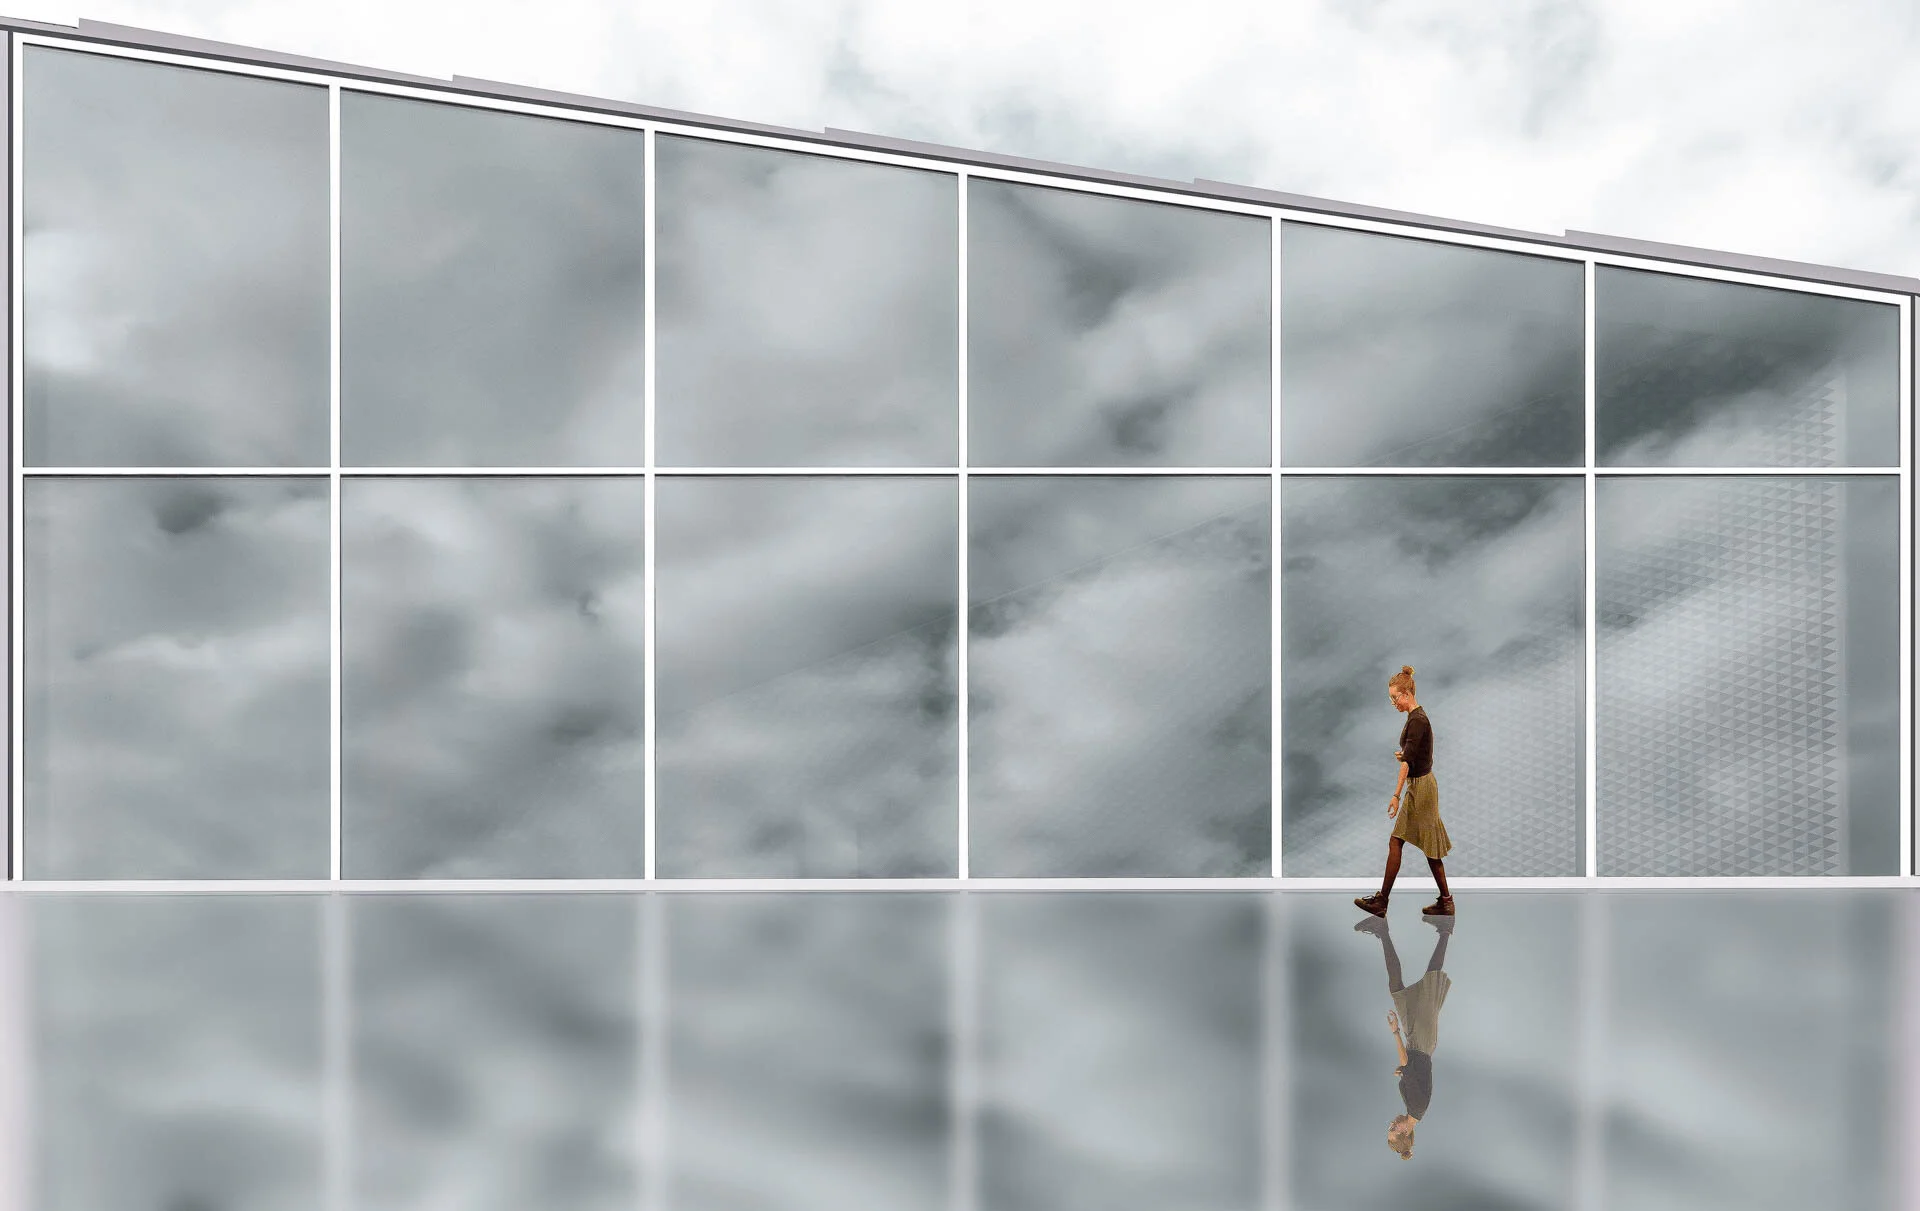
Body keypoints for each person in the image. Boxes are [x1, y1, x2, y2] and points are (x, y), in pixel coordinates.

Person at [1354, 665, 1453, 918]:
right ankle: (1382, 901)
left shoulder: (1418, 720)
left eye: (1395, 697)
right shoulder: (1414, 718)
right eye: (1391, 698)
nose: (1393, 702)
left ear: (1407, 694)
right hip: (1417, 786)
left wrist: (1396, 795)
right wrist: (1406, 757)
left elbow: (1408, 763)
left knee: (1430, 848)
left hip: (1422, 789)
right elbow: (1413, 754)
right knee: (1396, 840)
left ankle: (1445, 902)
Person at [1354, 910, 1453, 1159]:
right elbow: (1408, 1064)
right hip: (1420, 1041)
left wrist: (1403, 1071)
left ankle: (1383, 930)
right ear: (1405, 1134)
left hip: (1418, 1042)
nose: (1391, 1124)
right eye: (1393, 1130)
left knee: (1398, 989)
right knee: (1427, 982)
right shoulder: (1417, 1107)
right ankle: (1443, 928)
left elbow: (1412, 1072)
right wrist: (1396, 1033)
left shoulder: (1413, 1108)